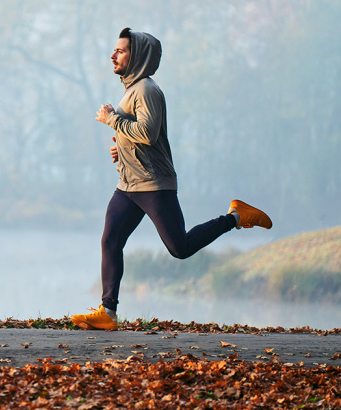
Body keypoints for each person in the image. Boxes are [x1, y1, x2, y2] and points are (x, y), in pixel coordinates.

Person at [71, 28, 272, 331]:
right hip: (128, 186)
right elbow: (135, 135)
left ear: (136, 56)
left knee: (180, 248)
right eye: (115, 50)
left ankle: (235, 216)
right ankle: (108, 312)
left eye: (120, 51)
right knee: (110, 240)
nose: (113, 55)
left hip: (154, 185)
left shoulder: (147, 90)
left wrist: (111, 119)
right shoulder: (132, 90)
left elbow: (148, 135)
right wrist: (121, 151)